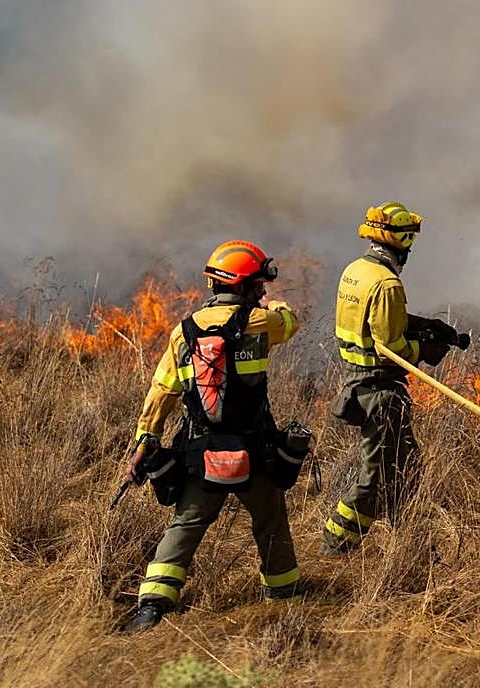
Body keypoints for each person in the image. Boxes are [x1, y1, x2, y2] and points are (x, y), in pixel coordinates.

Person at [125, 240, 302, 634]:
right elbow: (290, 323)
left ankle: (151, 605)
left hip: (200, 452)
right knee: (270, 521)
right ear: (241, 287)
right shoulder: (261, 323)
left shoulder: (182, 333)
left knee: (185, 522)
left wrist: (144, 439)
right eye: (257, 285)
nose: (262, 292)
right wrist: (278, 309)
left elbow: (162, 391)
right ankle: (285, 599)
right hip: (254, 451)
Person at [322, 202, 458, 555]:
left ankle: (409, 542)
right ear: (403, 242)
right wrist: (425, 350)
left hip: (357, 379)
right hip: (379, 387)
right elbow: (390, 347)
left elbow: (372, 319)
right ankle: (336, 544)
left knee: (403, 464)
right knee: (379, 471)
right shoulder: (387, 283)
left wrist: (423, 325)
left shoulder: (356, 271)